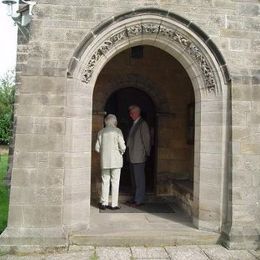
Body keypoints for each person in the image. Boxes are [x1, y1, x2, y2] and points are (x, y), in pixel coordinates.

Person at [95, 114, 126, 210]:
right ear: (114, 121)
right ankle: (114, 204)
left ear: (106, 121)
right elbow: (123, 147)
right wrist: (121, 152)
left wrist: (104, 153)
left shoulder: (101, 132)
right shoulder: (118, 131)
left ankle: (103, 203)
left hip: (105, 161)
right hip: (116, 161)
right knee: (115, 182)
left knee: (105, 181)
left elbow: (97, 148)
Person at [127, 105, 150, 206]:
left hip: (139, 156)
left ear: (137, 113)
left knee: (139, 180)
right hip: (132, 156)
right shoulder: (134, 123)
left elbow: (146, 140)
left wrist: (146, 153)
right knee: (134, 180)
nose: (130, 115)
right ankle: (134, 198)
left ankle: (139, 200)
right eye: (130, 113)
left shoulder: (142, 124)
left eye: (132, 113)